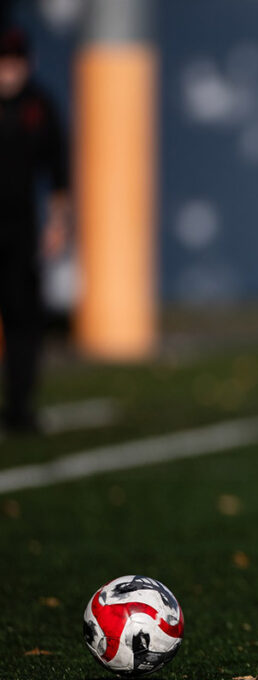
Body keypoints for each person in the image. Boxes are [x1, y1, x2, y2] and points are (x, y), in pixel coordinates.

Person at [0, 26, 70, 434]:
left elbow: (58, 170)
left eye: (14, 63)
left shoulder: (39, 106)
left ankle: (19, 407)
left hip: (20, 228)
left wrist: (58, 223)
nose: (8, 72)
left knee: (23, 319)